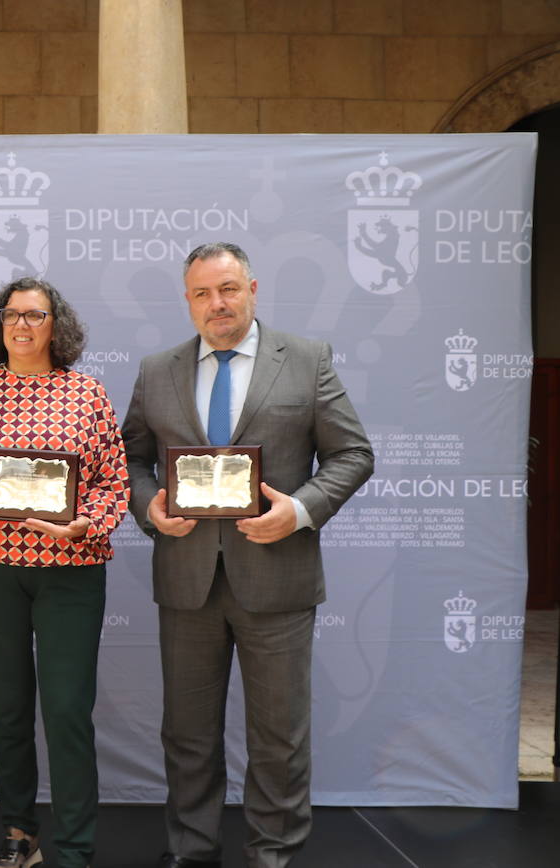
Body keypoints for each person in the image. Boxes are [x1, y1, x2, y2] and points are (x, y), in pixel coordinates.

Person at [120, 243, 374, 868]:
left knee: (279, 738)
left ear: (253, 290)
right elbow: (132, 458)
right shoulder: (158, 369)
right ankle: (191, 848)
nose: (217, 304)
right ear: (187, 301)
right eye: (202, 293)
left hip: (278, 576)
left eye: (228, 289)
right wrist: (147, 505)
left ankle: (273, 854)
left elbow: (353, 454)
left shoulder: (308, 361)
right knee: (187, 733)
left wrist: (301, 509)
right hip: (187, 580)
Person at [0, 278, 129, 868]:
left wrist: (85, 523)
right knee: (8, 707)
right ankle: (19, 833)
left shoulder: (88, 395)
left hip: (69, 571)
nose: (22, 326)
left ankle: (74, 845)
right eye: (11, 315)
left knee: (67, 709)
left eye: (36, 315)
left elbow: (114, 485)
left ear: (58, 326)